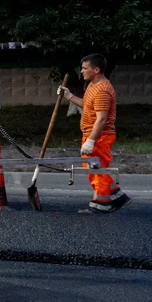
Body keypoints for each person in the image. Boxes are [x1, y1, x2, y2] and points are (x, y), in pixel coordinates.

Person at [59, 53, 130, 214]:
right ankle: (116, 196)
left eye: (85, 68)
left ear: (96, 69)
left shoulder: (103, 90)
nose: (82, 71)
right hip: (92, 134)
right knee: (94, 168)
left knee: (97, 170)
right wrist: (69, 96)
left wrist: (91, 140)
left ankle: (101, 204)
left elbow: (102, 119)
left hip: (100, 136)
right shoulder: (92, 86)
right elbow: (87, 105)